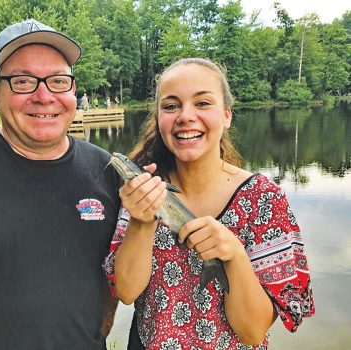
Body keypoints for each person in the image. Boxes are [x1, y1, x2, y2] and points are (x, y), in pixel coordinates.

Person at [0, 19, 121, 349]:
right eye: (23, 81)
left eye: (58, 81)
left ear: (73, 90)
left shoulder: (106, 169)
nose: (44, 96)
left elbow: (111, 285)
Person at [103, 58, 315, 349]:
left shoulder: (263, 198)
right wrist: (141, 222)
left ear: (227, 115)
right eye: (170, 106)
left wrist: (235, 256)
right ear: (159, 119)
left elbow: (252, 333)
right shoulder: (143, 189)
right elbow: (126, 292)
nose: (185, 116)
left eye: (202, 103)